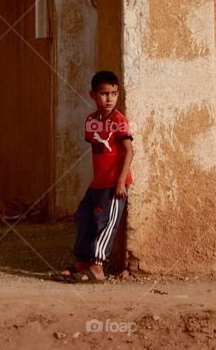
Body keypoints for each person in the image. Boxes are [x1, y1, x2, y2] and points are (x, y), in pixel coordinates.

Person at [60, 70, 134, 283]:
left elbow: (129, 151)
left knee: (105, 222)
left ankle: (98, 267)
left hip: (113, 184)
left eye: (113, 93)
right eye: (104, 94)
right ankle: (82, 261)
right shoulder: (91, 120)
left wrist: (121, 181)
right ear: (93, 95)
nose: (109, 98)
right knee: (84, 216)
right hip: (98, 183)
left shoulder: (119, 121)